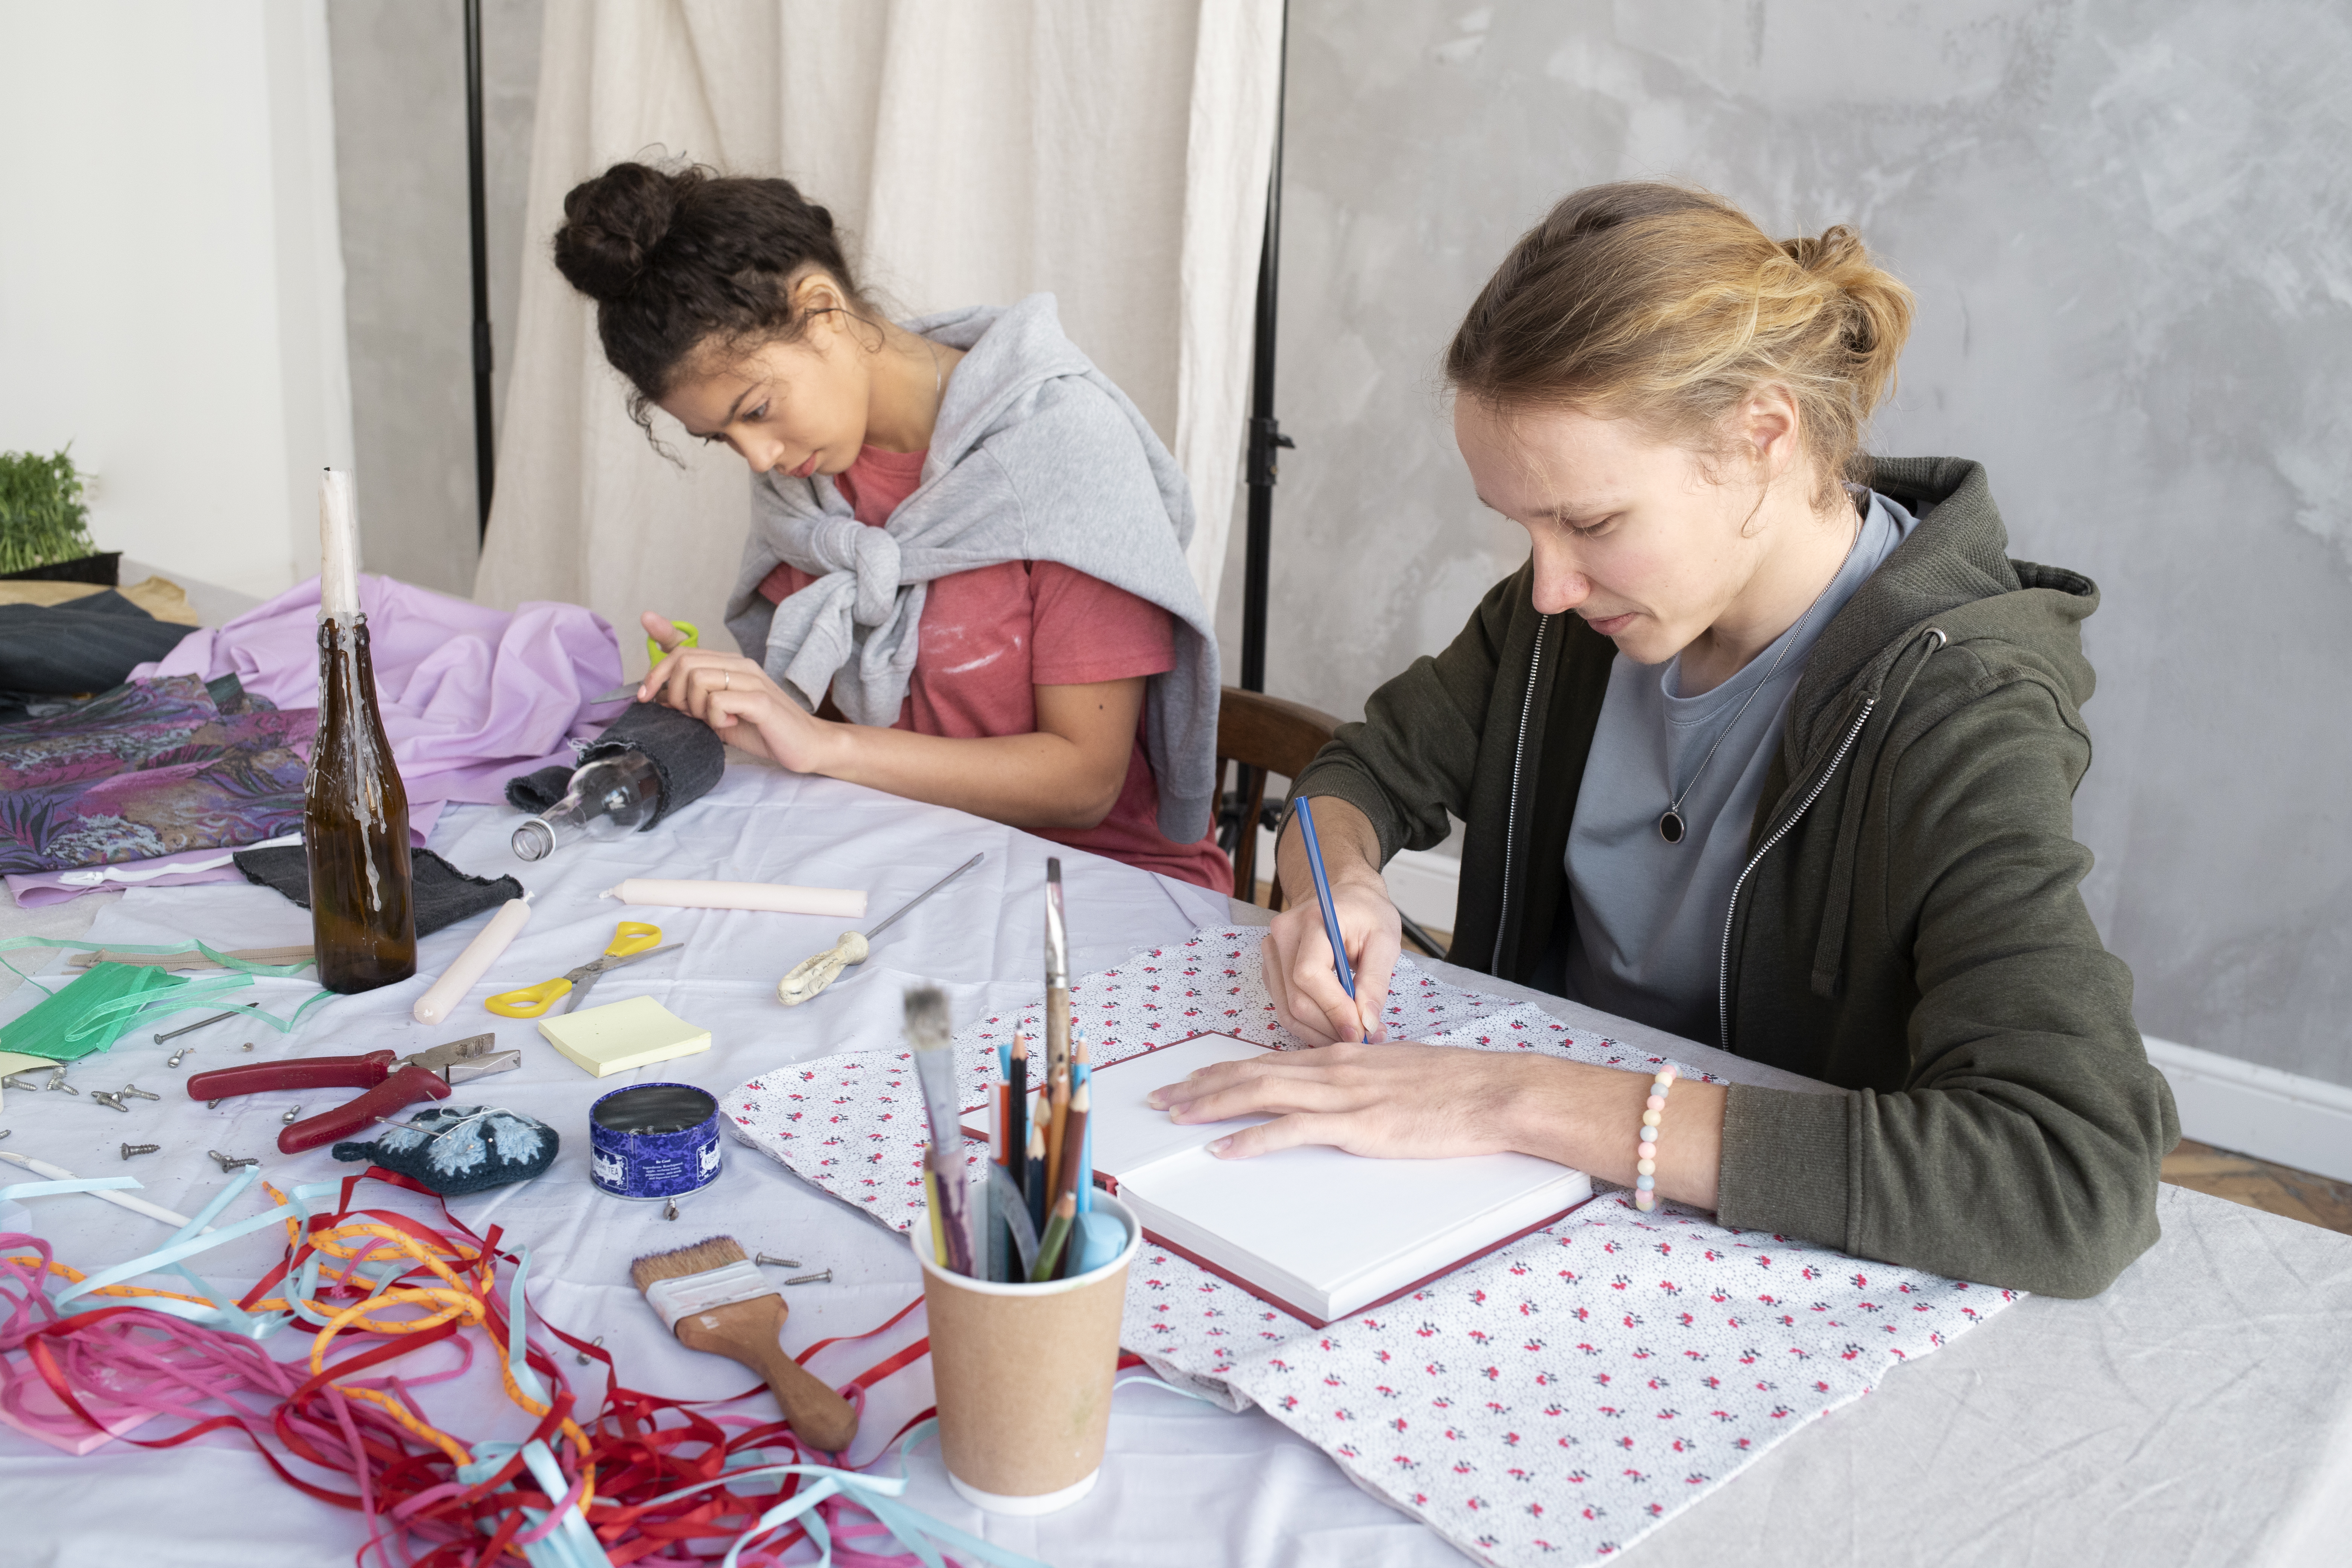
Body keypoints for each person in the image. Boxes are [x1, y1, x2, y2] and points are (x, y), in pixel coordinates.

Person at [1148, 183, 2177, 1297]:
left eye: (1591, 523)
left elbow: (2075, 1178)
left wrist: (1514, 1098)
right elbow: (1356, 775)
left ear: (1762, 438)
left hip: (1758, 1277)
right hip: (1512, 1215)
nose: (1546, 585)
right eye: (1525, 527)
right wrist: (1329, 885)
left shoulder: (1958, 707)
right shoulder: (1570, 625)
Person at [548, 162, 1232, 890]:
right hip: (914, 855)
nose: (758, 458)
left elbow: (1085, 783)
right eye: (721, 437)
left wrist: (819, 745)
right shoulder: (810, 488)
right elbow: (838, 722)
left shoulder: (1061, 449)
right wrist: (754, 707)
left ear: (822, 309)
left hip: (1103, 884)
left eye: (754, 411)